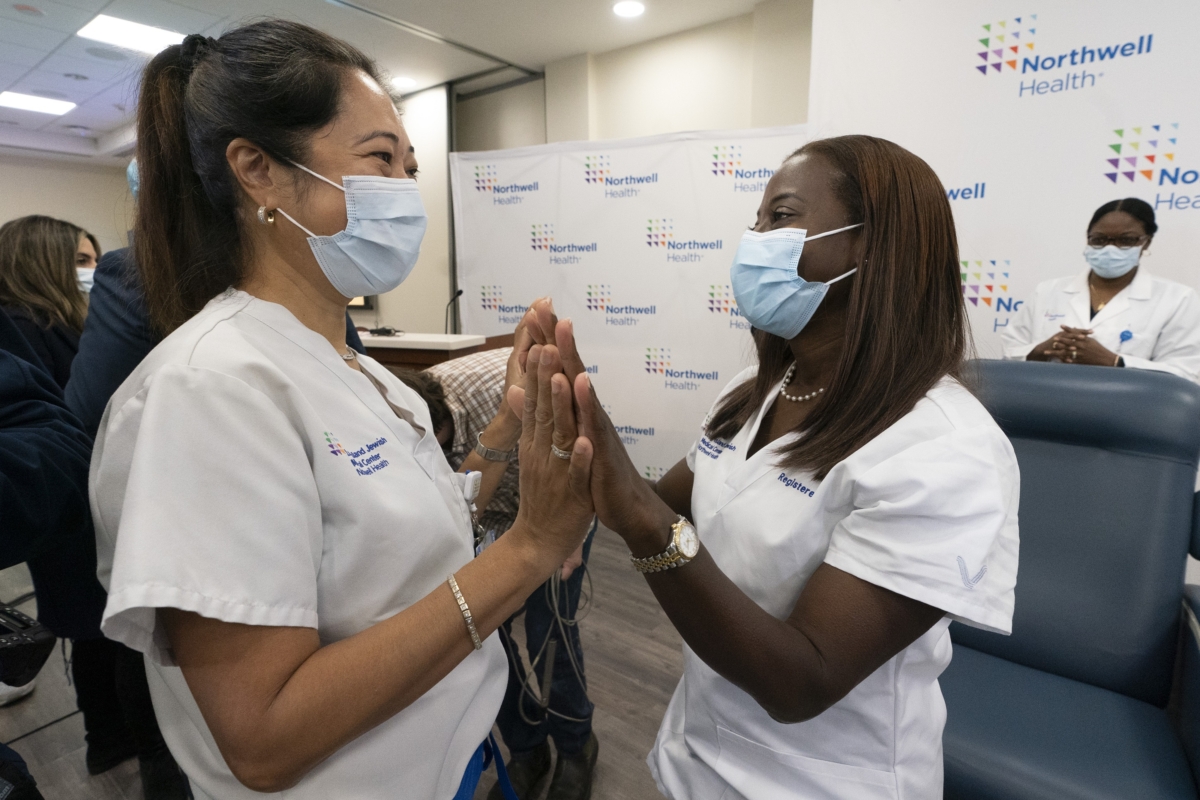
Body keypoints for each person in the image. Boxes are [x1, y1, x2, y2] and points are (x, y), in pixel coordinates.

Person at [91, 20, 593, 800]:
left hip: (459, 759)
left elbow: (403, 545)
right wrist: (526, 553)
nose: (403, 190)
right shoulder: (210, 390)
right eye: (379, 160)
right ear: (257, 169)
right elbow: (263, 737)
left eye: (408, 166)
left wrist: (502, 438)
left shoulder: (358, 368)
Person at [524, 135, 1020, 799]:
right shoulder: (751, 393)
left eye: (780, 217)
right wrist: (585, 434)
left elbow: (801, 681)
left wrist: (641, 523)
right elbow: (662, 504)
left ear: (870, 242)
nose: (755, 240)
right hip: (697, 755)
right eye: (757, 221)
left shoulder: (943, 448)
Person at [401, 345, 599, 800]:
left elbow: (588, 448)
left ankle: (576, 746)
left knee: (551, 628)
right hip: (487, 519)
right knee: (485, 635)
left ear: (446, 428)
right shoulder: (399, 414)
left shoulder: (511, 385)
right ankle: (529, 749)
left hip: (558, 504)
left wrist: (571, 537)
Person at [0, 304, 94, 799]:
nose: (90, 272)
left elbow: (56, 441)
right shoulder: (27, 323)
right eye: (79, 260)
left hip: (75, 524)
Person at [1002, 197, 1200, 379]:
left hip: (1129, 412)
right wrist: (1040, 351)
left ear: (1146, 242)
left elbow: (1186, 373)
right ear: (1088, 239)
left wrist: (1116, 362)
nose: (1110, 248)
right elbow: (1008, 352)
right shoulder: (1047, 291)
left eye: (1126, 240)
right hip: (1042, 404)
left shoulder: (1178, 299)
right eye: (1099, 239)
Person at [0, 215, 95, 388]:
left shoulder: (68, 319)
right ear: (37, 266)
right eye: (82, 261)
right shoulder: (20, 325)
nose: (96, 269)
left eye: (96, 260)